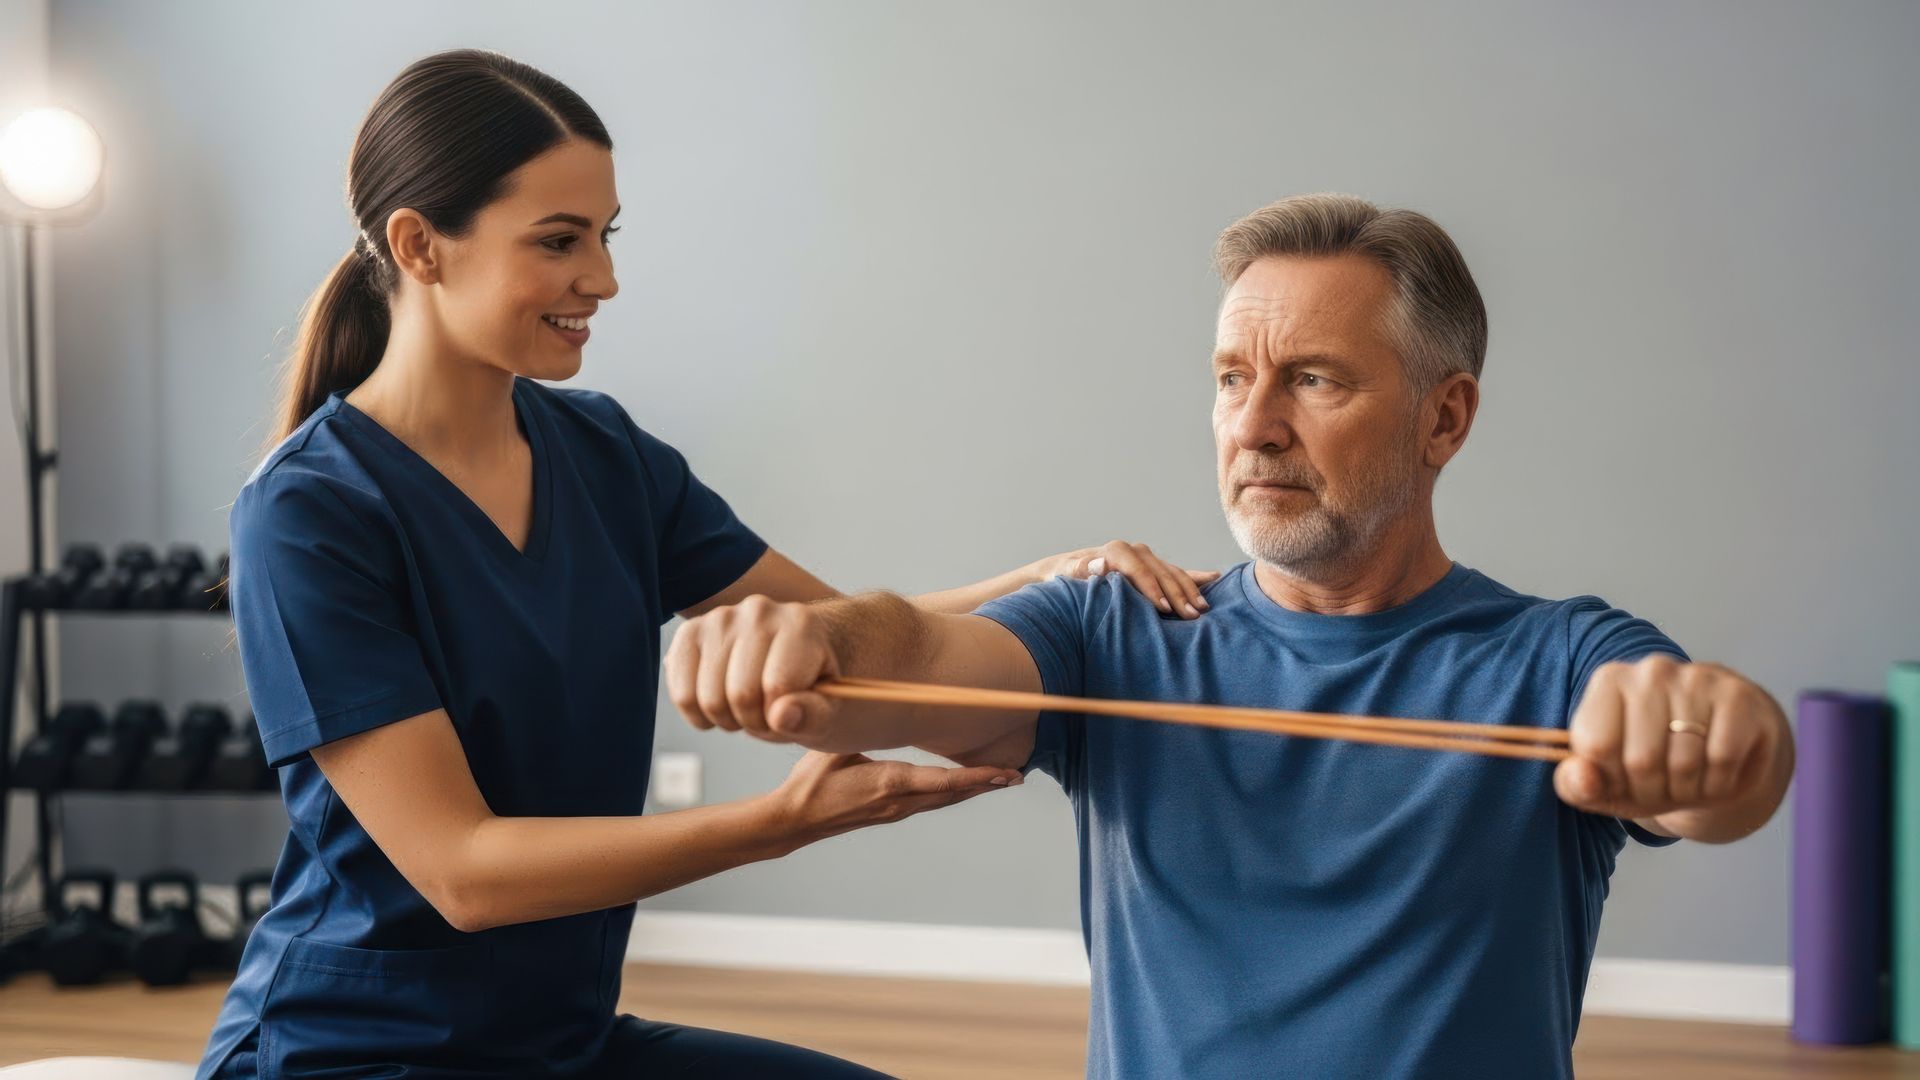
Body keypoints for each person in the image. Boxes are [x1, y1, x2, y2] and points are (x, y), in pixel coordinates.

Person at [195, 49, 1212, 1079]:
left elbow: (836, 634)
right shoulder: (308, 513)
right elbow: (464, 873)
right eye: (559, 241)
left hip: (559, 1044)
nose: (603, 278)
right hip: (353, 1055)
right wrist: (779, 826)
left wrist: (1052, 577)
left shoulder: (605, 456)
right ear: (420, 245)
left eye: (604, 234)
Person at [665, 193, 1796, 1078]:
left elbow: (1715, 774)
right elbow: (904, 659)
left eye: (1311, 380)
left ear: (1443, 417)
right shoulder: (1115, 630)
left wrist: (1724, 737)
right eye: (1229, 379)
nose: (1253, 427)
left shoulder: (1557, 659)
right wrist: (812, 638)